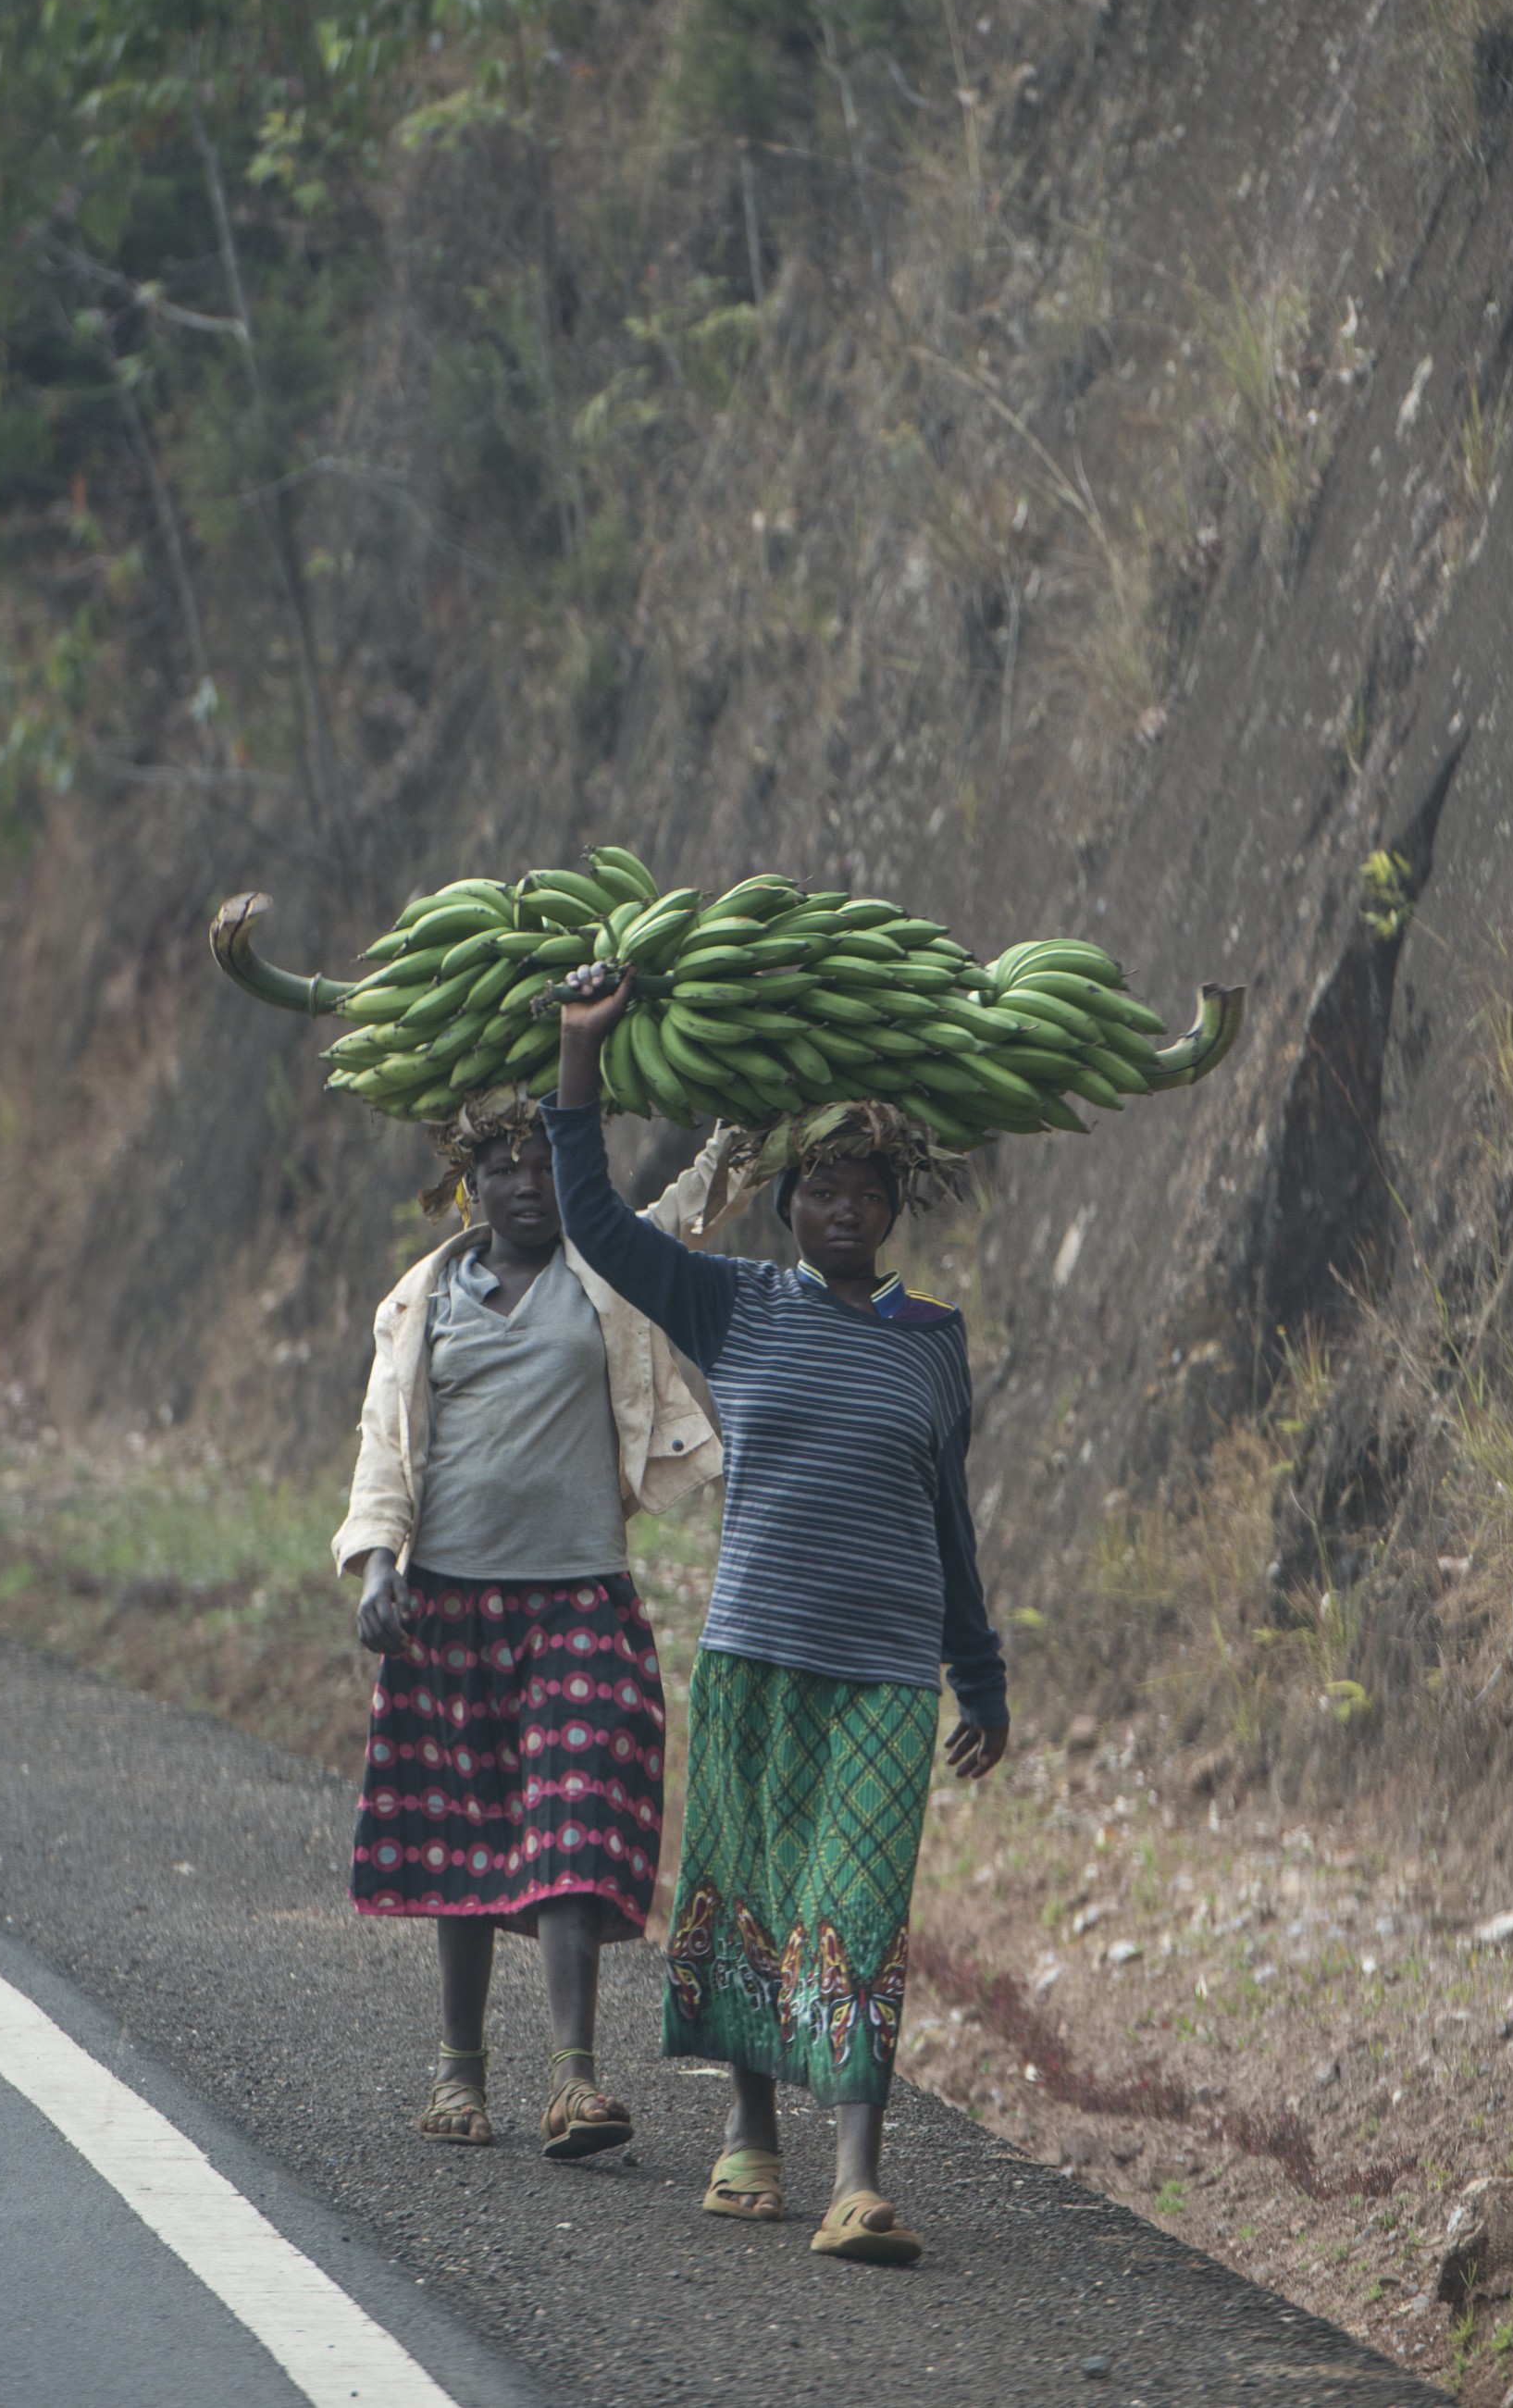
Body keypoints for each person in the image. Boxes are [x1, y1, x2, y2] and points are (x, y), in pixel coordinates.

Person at [542, 966, 1009, 2265]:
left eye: (866, 1191)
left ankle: (857, 2179)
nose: (843, 1208)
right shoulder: (733, 1302)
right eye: (821, 1188)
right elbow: (591, 1222)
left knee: (857, 1912)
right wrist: (580, 1058)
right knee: (746, 1897)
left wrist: (985, 1677)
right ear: (790, 1202)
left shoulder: (933, 1343)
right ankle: (751, 2139)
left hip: (882, 1678)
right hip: (753, 1656)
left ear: (893, 1209)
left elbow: (949, 1523)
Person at [334, 1097, 751, 2158]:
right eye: (502, 1168)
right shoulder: (420, 1299)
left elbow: (693, 1208)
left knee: (572, 1826)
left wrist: (739, 1125)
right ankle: (458, 2075)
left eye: (542, 1165)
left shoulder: (606, 1270)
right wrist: (378, 1569)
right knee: (461, 1844)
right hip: (448, 1613)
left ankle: (575, 2082)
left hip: (577, 1600)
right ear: (466, 1183)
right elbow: (386, 1447)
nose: (527, 1185)